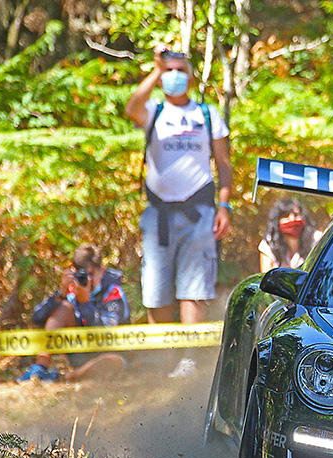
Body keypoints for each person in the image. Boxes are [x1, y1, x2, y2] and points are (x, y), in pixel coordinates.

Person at [124, 46, 232, 377]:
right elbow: (131, 107)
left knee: (194, 289)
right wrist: (155, 72)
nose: (174, 75)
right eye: (168, 70)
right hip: (158, 215)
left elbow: (224, 164)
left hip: (199, 211)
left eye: (179, 70)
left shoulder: (208, 114)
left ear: (191, 75)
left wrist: (225, 205)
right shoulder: (154, 111)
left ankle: (190, 360)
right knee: (156, 288)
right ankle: (162, 359)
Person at [17, 244, 131, 382]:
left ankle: (64, 378)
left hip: (110, 353)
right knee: (64, 308)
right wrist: (60, 296)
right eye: (81, 275)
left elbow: (105, 336)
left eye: (90, 274)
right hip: (80, 352)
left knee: (111, 362)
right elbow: (37, 318)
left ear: (101, 271)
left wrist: (86, 303)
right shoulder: (73, 288)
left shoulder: (113, 292)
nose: (86, 280)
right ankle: (40, 368)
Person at [260, 197, 322, 271]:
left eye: (296, 215)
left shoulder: (316, 239)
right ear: (277, 221)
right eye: (286, 216)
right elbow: (265, 276)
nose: (292, 219)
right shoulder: (269, 242)